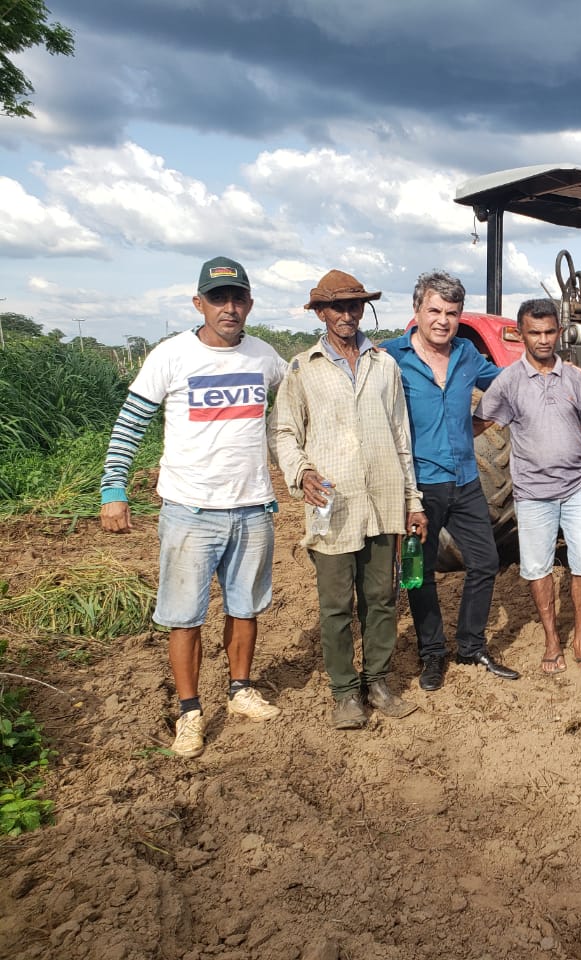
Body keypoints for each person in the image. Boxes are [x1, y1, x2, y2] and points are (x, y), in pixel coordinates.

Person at [100, 256, 287, 759]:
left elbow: (297, 405)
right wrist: (113, 490)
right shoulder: (171, 356)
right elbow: (130, 423)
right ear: (198, 303)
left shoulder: (266, 358)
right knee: (185, 616)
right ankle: (189, 711)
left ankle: (241, 689)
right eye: (219, 298)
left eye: (238, 298)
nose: (230, 308)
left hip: (251, 507)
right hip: (190, 511)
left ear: (249, 303)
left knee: (245, 606)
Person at [270, 270, 427, 729]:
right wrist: (300, 472)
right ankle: (344, 692)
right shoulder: (303, 368)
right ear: (320, 313)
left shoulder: (385, 365)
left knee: (380, 598)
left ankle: (377, 682)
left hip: (382, 499)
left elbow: (402, 437)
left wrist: (412, 500)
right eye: (336, 307)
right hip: (332, 507)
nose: (346, 314)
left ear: (363, 309)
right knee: (336, 604)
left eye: (354, 305)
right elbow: (283, 433)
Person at [385, 271, 520, 690]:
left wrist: (556, 369)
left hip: (465, 480)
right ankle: (431, 654)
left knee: (485, 562)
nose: (443, 320)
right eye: (435, 310)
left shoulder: (466, 355)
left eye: (452, 312)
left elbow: (508, 381)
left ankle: (470, 644)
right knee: (419, 573)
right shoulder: (391, 357)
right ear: (417, 311)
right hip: (419, 487)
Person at [474, 298, 581, 674]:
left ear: (560, 332)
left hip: (578, 487)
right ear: (521, 335)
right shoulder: (509, 382)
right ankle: (552, 641)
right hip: (533, 493)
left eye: (550, 331)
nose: (543, 339)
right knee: (538, 568)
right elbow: (478, 424)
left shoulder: (574, 379)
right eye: (535, 333)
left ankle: (580, 641)